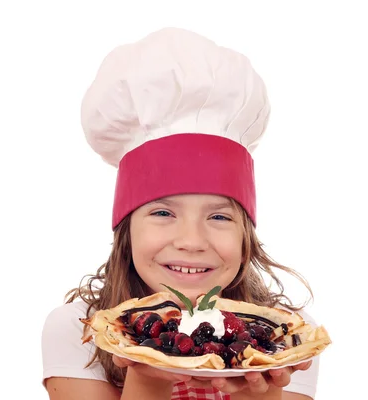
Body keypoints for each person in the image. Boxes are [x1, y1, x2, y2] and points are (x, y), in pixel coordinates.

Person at [41, 27, 321, 400]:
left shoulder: (285, 339)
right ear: (126, 231)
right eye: (162, 213)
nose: (191, 241)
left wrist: (260, 393)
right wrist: (150, 374)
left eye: (219, 217)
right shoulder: (78, 327)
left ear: (246, 238)